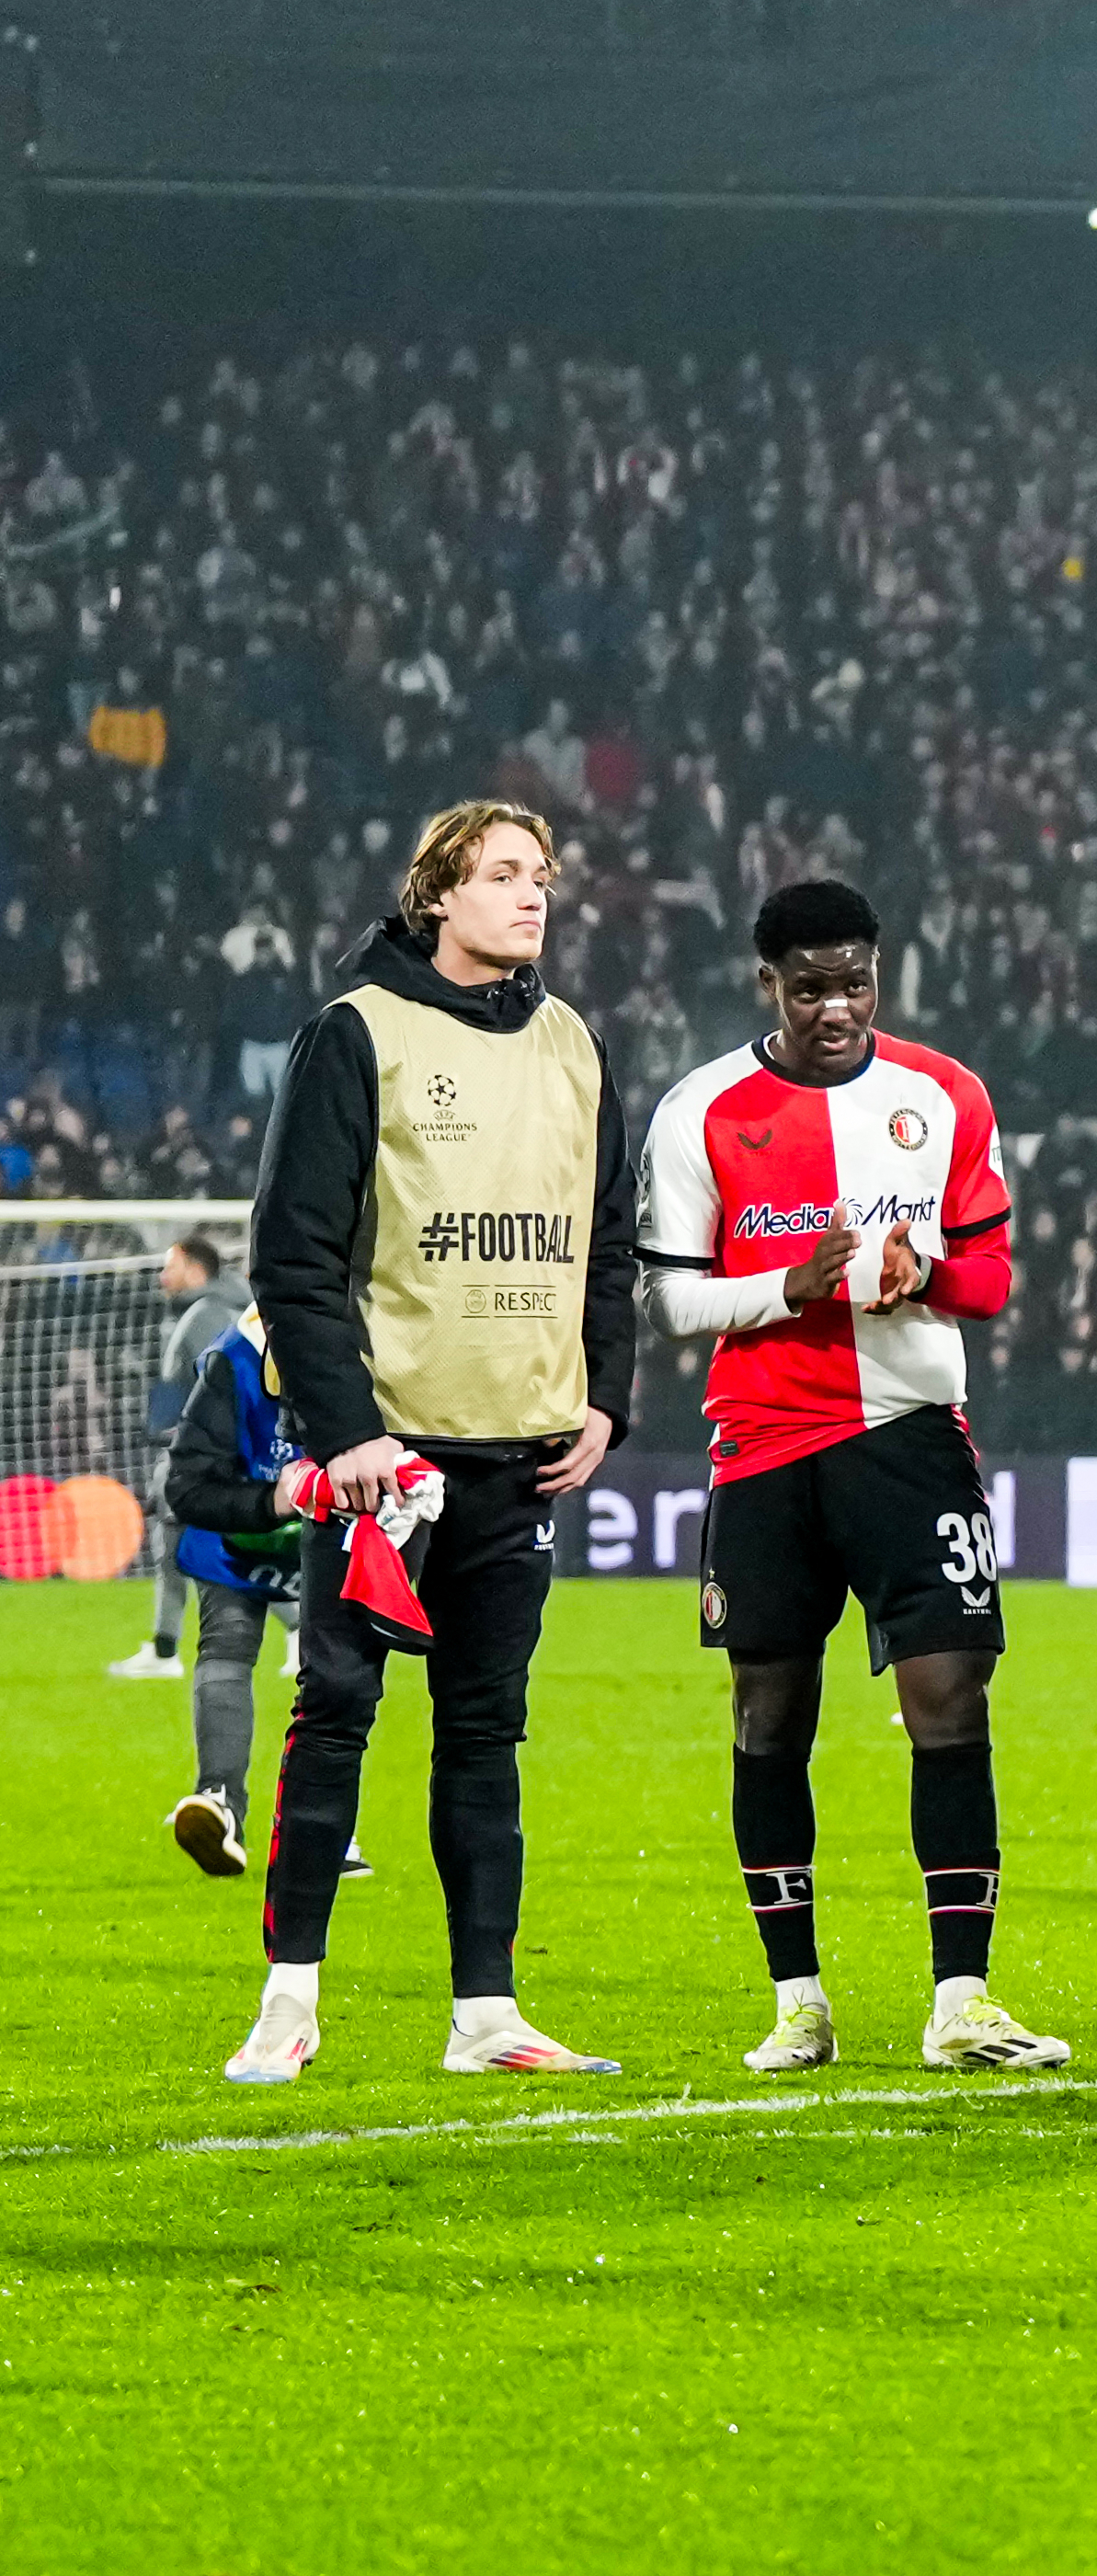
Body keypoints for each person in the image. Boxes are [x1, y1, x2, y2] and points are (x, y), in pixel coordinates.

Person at [227, 798, 645, 2085]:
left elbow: (607, 1244)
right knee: (338, 1710)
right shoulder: (359, 1033)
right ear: (438, 897)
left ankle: (487, 2013)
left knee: (484, 1729)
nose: (534, 896)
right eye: (506, 873)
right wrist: (344, 1431)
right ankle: (289, 2000)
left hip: (521, 1452)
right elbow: (292, 1258)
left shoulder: (574, 1044)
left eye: (544, 877)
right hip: (389, 1461)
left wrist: (603, 1396)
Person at [640, 875, 1062, 2075]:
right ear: (767, 983)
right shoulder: (701, 1111)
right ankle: (799, 2002)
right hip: (764, 1442)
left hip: (910, 1436)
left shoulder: (944, 1095)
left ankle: (963, 1998)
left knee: (951, 1693)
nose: (837, 1007)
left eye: (855, 982)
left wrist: (912, 1266)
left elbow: (991, 1279)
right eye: (810, 986)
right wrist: (793, 1287)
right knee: (770, 1715)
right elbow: (672, 1295)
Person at [151, 1267, 292, 1875]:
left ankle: (322, 1827)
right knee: (230, 1647)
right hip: (239, 1519)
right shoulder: (230, 1363)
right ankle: (220, 1803)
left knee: (333, 1675)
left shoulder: (369, 1346)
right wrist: (269, 1504)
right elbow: (186, 1484)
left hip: (327, 1522)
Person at [110, 1234, 234, 1681]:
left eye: (169, 1265)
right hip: (182, 1451)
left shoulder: (209, 1315)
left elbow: (220, 1390)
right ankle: (163, 1651)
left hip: (203, 1457)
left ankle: (300, 1633)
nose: (162, 1276)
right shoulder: (194, 1312)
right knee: (174, 1549)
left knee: (216, 1550)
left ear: (192, 1266)